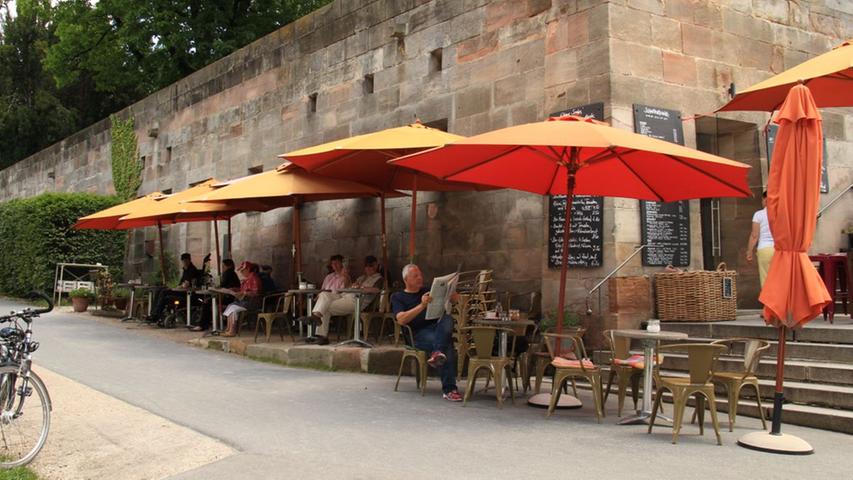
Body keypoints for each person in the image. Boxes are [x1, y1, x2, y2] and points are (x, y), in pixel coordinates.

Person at [391, 264, 462, 402]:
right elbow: (401, 320)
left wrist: (452, 295)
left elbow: (455, 300)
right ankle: (450, 389)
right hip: (417, 334)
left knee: (447, 318)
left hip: (437, 328)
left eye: (420, 275)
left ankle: (437, 353)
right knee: (446, 346)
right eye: (415, 276)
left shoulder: (428, 290)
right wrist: (422, 305)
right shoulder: (398, 297)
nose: (420, 278)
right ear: (406, 279)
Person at [299, 255, 383, 345]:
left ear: (376, 266)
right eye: (366, 266)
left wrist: (362, 287)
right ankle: (316, 316)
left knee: (324, 307)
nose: (368, 268)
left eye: (371, 266)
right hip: (344, 295)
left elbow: (376, 290)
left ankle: (321, 335)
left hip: (356, 302)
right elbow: (347, 287)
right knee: (324, 294)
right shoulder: (361, 278)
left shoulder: (379, 278)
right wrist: (349, 281)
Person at [147, 253, 203, 324]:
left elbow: (187, 284)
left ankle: (156, 315)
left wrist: (182, 286)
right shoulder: (185, 270)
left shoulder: (192, 270)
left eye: (185, 261)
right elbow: (181, 283)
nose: (184, 263)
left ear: (189, 260)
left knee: (164, 293)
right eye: (183, 261)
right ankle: (152, 313)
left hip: (186, 294)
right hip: (180, 291)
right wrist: (178, 286)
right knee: (159, 290)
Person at [221, 261, 262, 337]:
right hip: (244, 301)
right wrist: (234, 290)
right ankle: (228, 329)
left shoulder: (254, 278)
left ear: (248, 269)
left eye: (243, 270)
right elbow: (242, 290)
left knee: (233, 308)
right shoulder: (247, 279)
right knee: (230, 305)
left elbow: (256, 293)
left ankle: (232, 330)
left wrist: (244, 293)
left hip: (252, 303)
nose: (241, 272)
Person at [747, 191, 775, 288]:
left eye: (762, 199)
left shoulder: (758, 215)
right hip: (779, 250)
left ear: (765, 199)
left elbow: (754, 236)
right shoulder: (780, 213)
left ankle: (768, 303)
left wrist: (749, 252)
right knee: (779, 278)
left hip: (764, 250)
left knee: (766, 279)